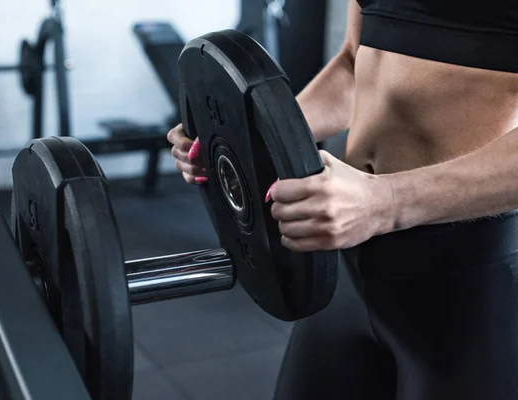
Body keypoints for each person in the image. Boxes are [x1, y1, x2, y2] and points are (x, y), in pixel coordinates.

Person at [168, 0, 518, 398]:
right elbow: (353, 64)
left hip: (472, 278)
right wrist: (247, 138)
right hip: (348, 259)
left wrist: (386, 202)